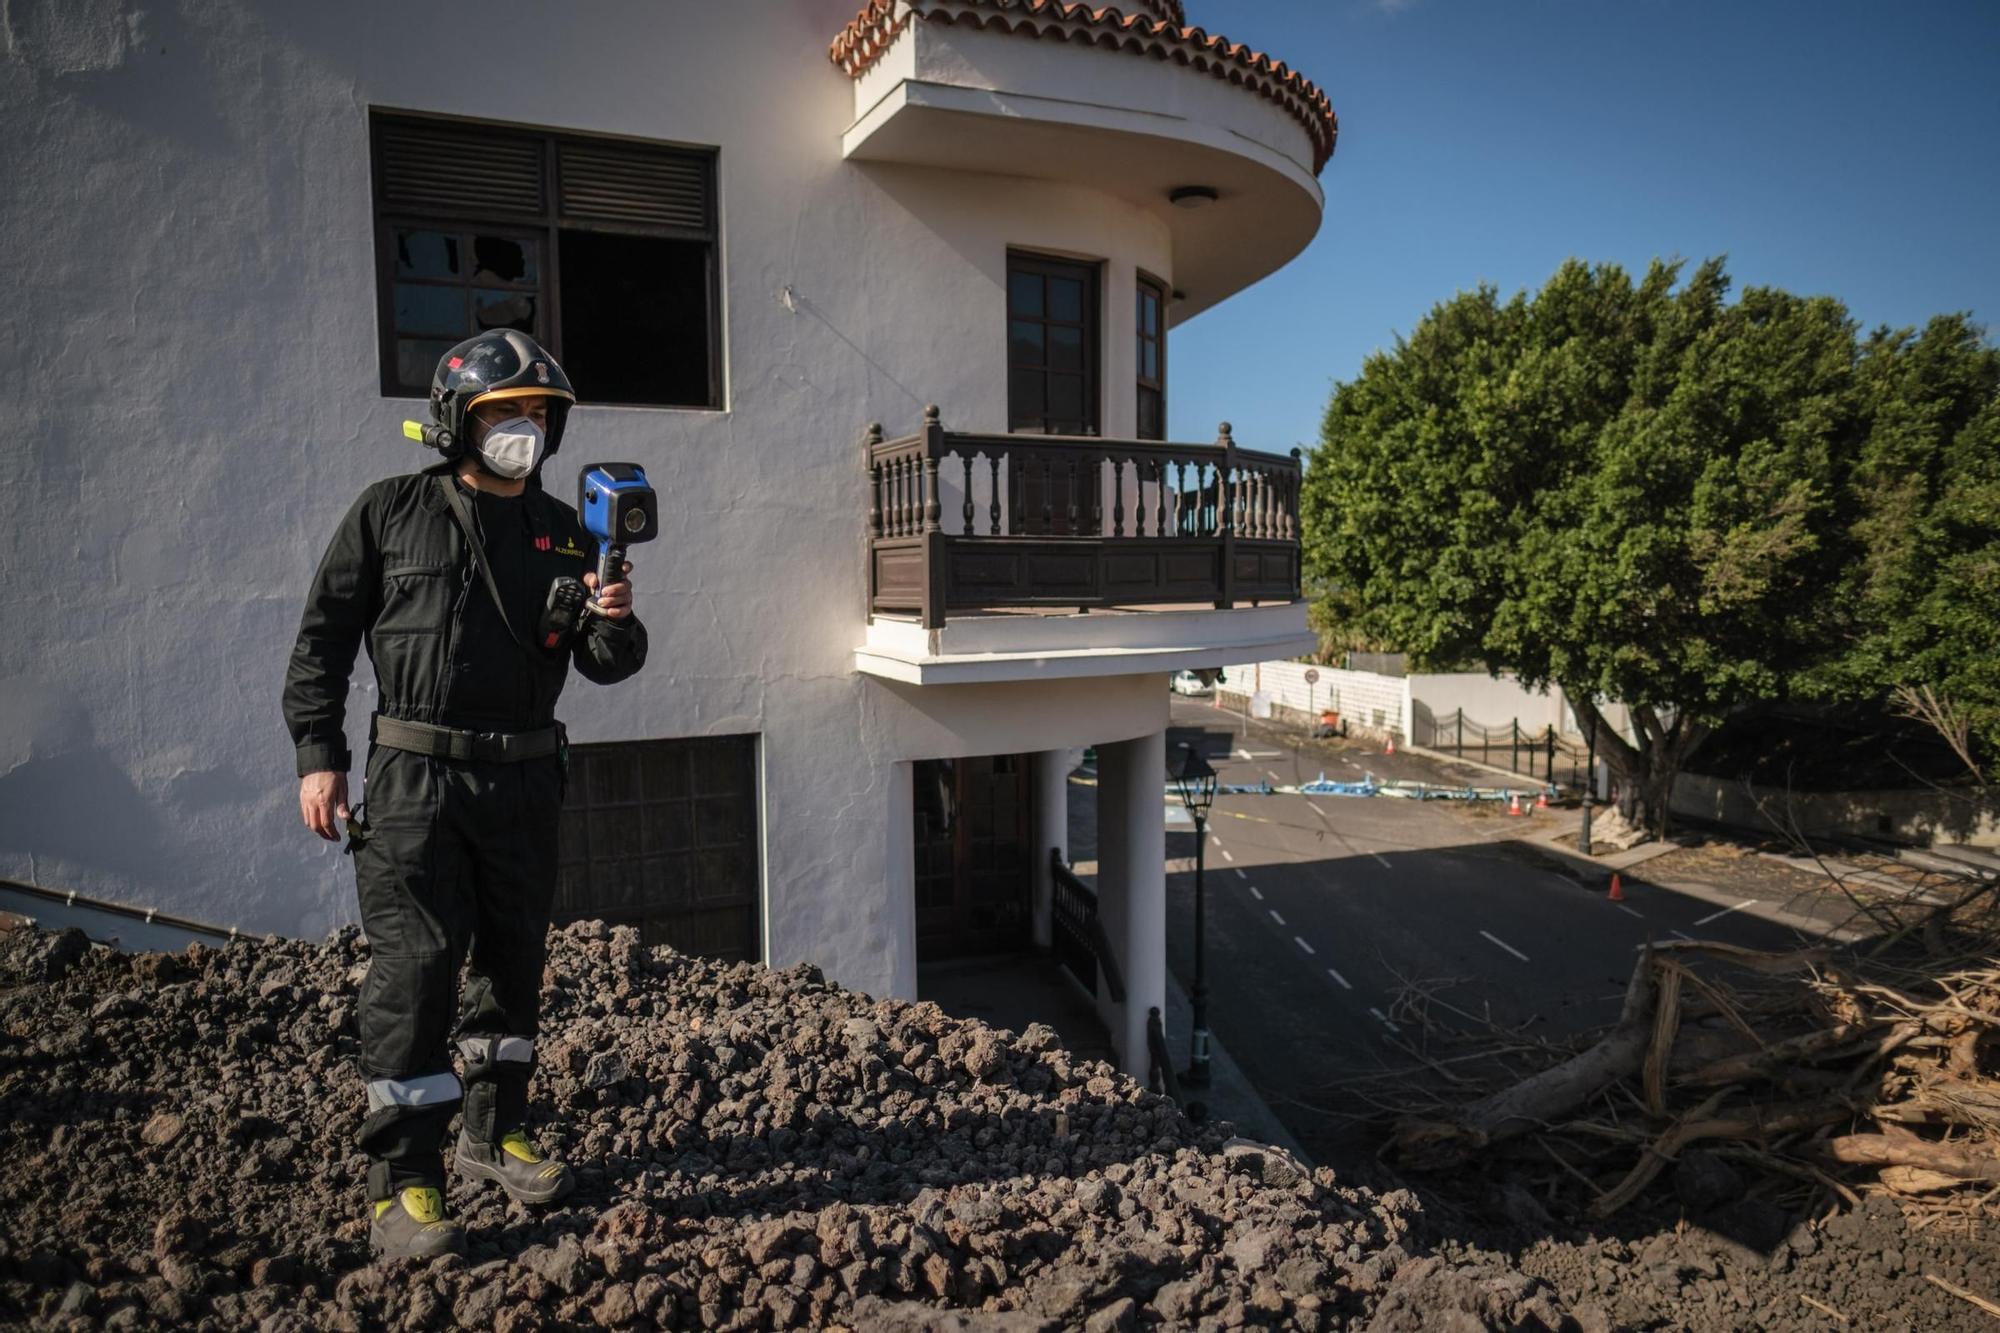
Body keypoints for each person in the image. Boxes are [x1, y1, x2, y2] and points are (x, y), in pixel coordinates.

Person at [282, 329, 647, 1259]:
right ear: (456, 421)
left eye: (537, 414)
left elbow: (608, 666)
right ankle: (402, 1184)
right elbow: (323, 637)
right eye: (503, 414)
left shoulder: (568, 530)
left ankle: (495, 1135)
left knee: (513, 959)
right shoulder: (391, 511)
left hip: (526, 776)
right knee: (416, 969)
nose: (523, 428)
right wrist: (317, 753)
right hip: (416, 777)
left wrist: (614, 615)